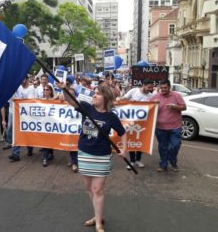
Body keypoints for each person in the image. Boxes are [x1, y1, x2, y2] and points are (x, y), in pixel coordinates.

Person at [58, 82, 127, 232]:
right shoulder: (87, 108)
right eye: (94, 93)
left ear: (106, 98)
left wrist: (124, 149)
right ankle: (98, 215)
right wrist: (63, 89)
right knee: (89, 188)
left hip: (102, 156)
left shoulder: (110, 117)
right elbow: (70, 100)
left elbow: (122, 132)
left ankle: (98, 224)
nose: (94, 95)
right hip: (84, 153)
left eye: (97, 93)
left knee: (98, 189)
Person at [151, 79, 186, 172]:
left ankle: (173, 161)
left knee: (175, 145)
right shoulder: (155, 97)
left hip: (175, 127)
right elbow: (148, 109)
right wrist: (154, 105)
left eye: (165, 88)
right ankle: (163, 164)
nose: (163, 89)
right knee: (163, 147)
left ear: (169, 87)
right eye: (161, 88)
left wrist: (175, 107)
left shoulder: (176, 95)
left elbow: (184, 107)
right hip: (160, 128)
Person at [118, 78, 154, 169]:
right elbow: (123, 99)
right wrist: (129, 102)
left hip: (143, 122)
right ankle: (132, 161)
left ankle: (138, 160)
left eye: (151, 87)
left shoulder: (150, 96)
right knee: (131, 140)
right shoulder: (134, 91)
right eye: (149, 87)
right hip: (130, 121)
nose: (150, 89)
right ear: (143, 85)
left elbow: (152, 108)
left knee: (140, 141)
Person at [7, 75, 36, 162]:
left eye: (23, 79)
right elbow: (10, 100)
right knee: (10, 131)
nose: (21, 81)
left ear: (27, 79)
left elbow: (30, 101)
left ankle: (25, 148)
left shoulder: (31, 89)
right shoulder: (16, 88)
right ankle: (14, 148)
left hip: (25, 114)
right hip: (13, 112)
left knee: (25, 132)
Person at [41, 84, 55, 167]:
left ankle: (50, 154)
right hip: (43, 124)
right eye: (44, 89)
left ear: (50, 91)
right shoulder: (40, 100)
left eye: (47, 90)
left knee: (50, 140)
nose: (45, 91)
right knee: (45, 141)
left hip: (52, 124)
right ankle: (44, 158)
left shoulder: (53, 100)